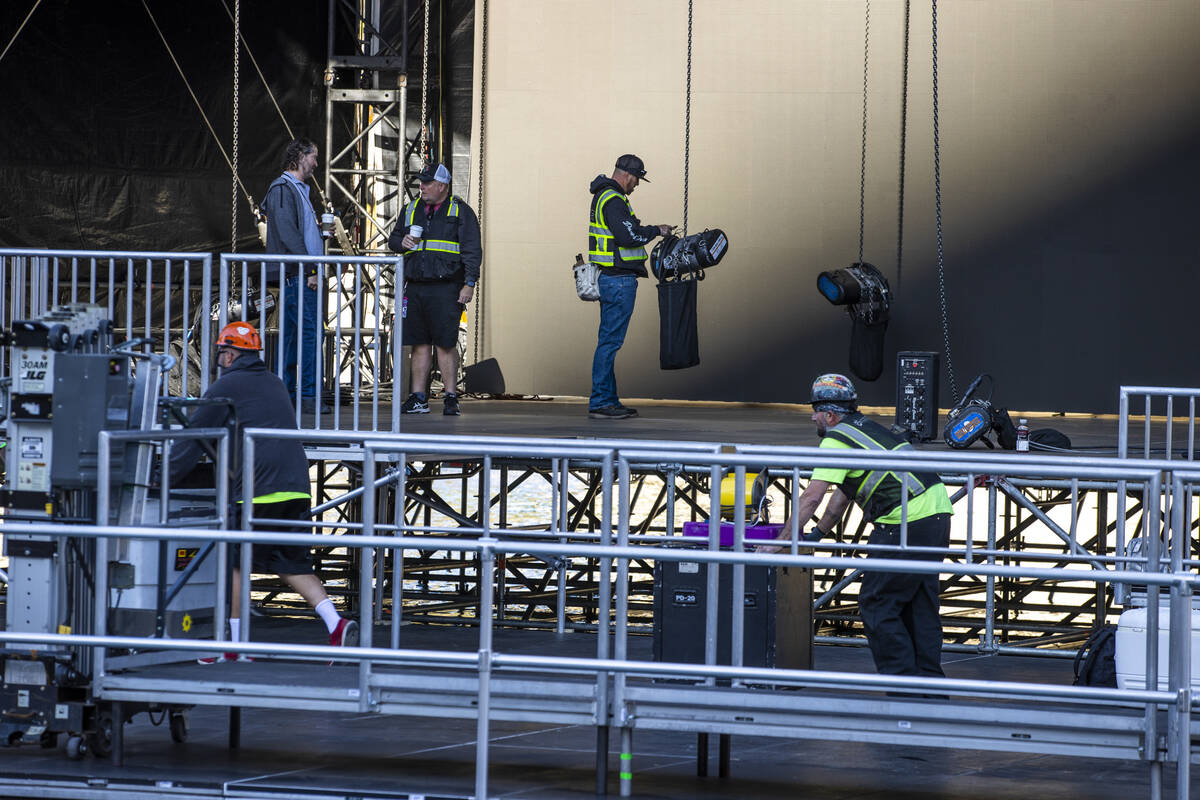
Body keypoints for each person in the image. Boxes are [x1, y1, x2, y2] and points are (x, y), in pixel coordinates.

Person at [169, 321, 357, 661]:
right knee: (291, 563)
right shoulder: (274, 383)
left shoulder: (225, 387)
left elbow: (192, 439)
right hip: (296, 486)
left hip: (257, 489)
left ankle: (234, 646)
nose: (219, 359)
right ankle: (335, 624)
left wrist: (162, 477)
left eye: (221, 352)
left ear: (229, 354)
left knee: (234, 562)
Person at [760, 373, 953, 679]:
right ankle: (930, 689)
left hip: (904, 522)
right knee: (920, 607)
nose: (812, 418)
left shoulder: (837, 439)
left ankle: (902, 687)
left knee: (877, 604)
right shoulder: (868, 428)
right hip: (937, 516)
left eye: (815, 411)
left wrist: (780, 543)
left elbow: (812, 497)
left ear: (830, 414)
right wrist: (816, 534)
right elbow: (842, 496)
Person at [388, 163, 482, 416]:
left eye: (428, 183)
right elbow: (393, 240)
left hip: (447, 287)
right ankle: (419, 397)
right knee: (418, 344)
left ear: (442, 186)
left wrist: (469, 283)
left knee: (445, 343)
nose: (422, 187)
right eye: (421, 182)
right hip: (416, 285)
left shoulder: (460, 211)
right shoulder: (410, 209)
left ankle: (451, 397)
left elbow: (472, 250)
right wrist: (402, 242)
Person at [586, 154, 674, 420]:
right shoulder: (613, 199)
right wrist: (657, 230)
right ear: (626, 175)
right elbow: (628, 236)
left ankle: (608, 400)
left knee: (608, 341)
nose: (636, 185)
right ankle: (601, 401)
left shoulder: (605, 196)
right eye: (637, 180)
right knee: (609, 343)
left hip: (610, 278)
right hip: (618, 280)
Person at [263, 138, 328, 414]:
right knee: (309, 335)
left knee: (294, 337)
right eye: (313, 156)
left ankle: (289, 394)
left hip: (300, 274)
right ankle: (309, 395)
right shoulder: (282, 188)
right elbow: (289, 232)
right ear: (300, 156)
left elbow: (296, 232)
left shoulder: (298, 190)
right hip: (298, 275)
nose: (316, 162)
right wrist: (310, 268)